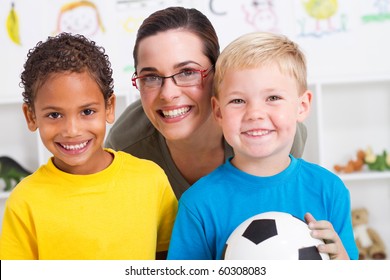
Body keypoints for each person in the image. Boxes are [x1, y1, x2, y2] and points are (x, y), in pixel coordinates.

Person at [167, 32, 358, 260]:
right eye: (238, 101)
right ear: (218, 112)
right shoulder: (198, 204)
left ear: (302, 106)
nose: (255, 114)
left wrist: (342, 261)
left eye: (273, 98)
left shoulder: (329, 189)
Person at [0, 33, 177, 260]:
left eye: (87, 112)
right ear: (31, 116)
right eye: (54, 114)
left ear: (110, 107)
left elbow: (168, 261)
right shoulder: (24, 201)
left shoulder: (151, 180)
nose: (72, 130)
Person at [105, 7, 307, 200]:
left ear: (217, 73)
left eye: (187, 73)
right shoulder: (126, 148)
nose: (168, 94)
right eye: (151, 77)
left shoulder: (268, 131)